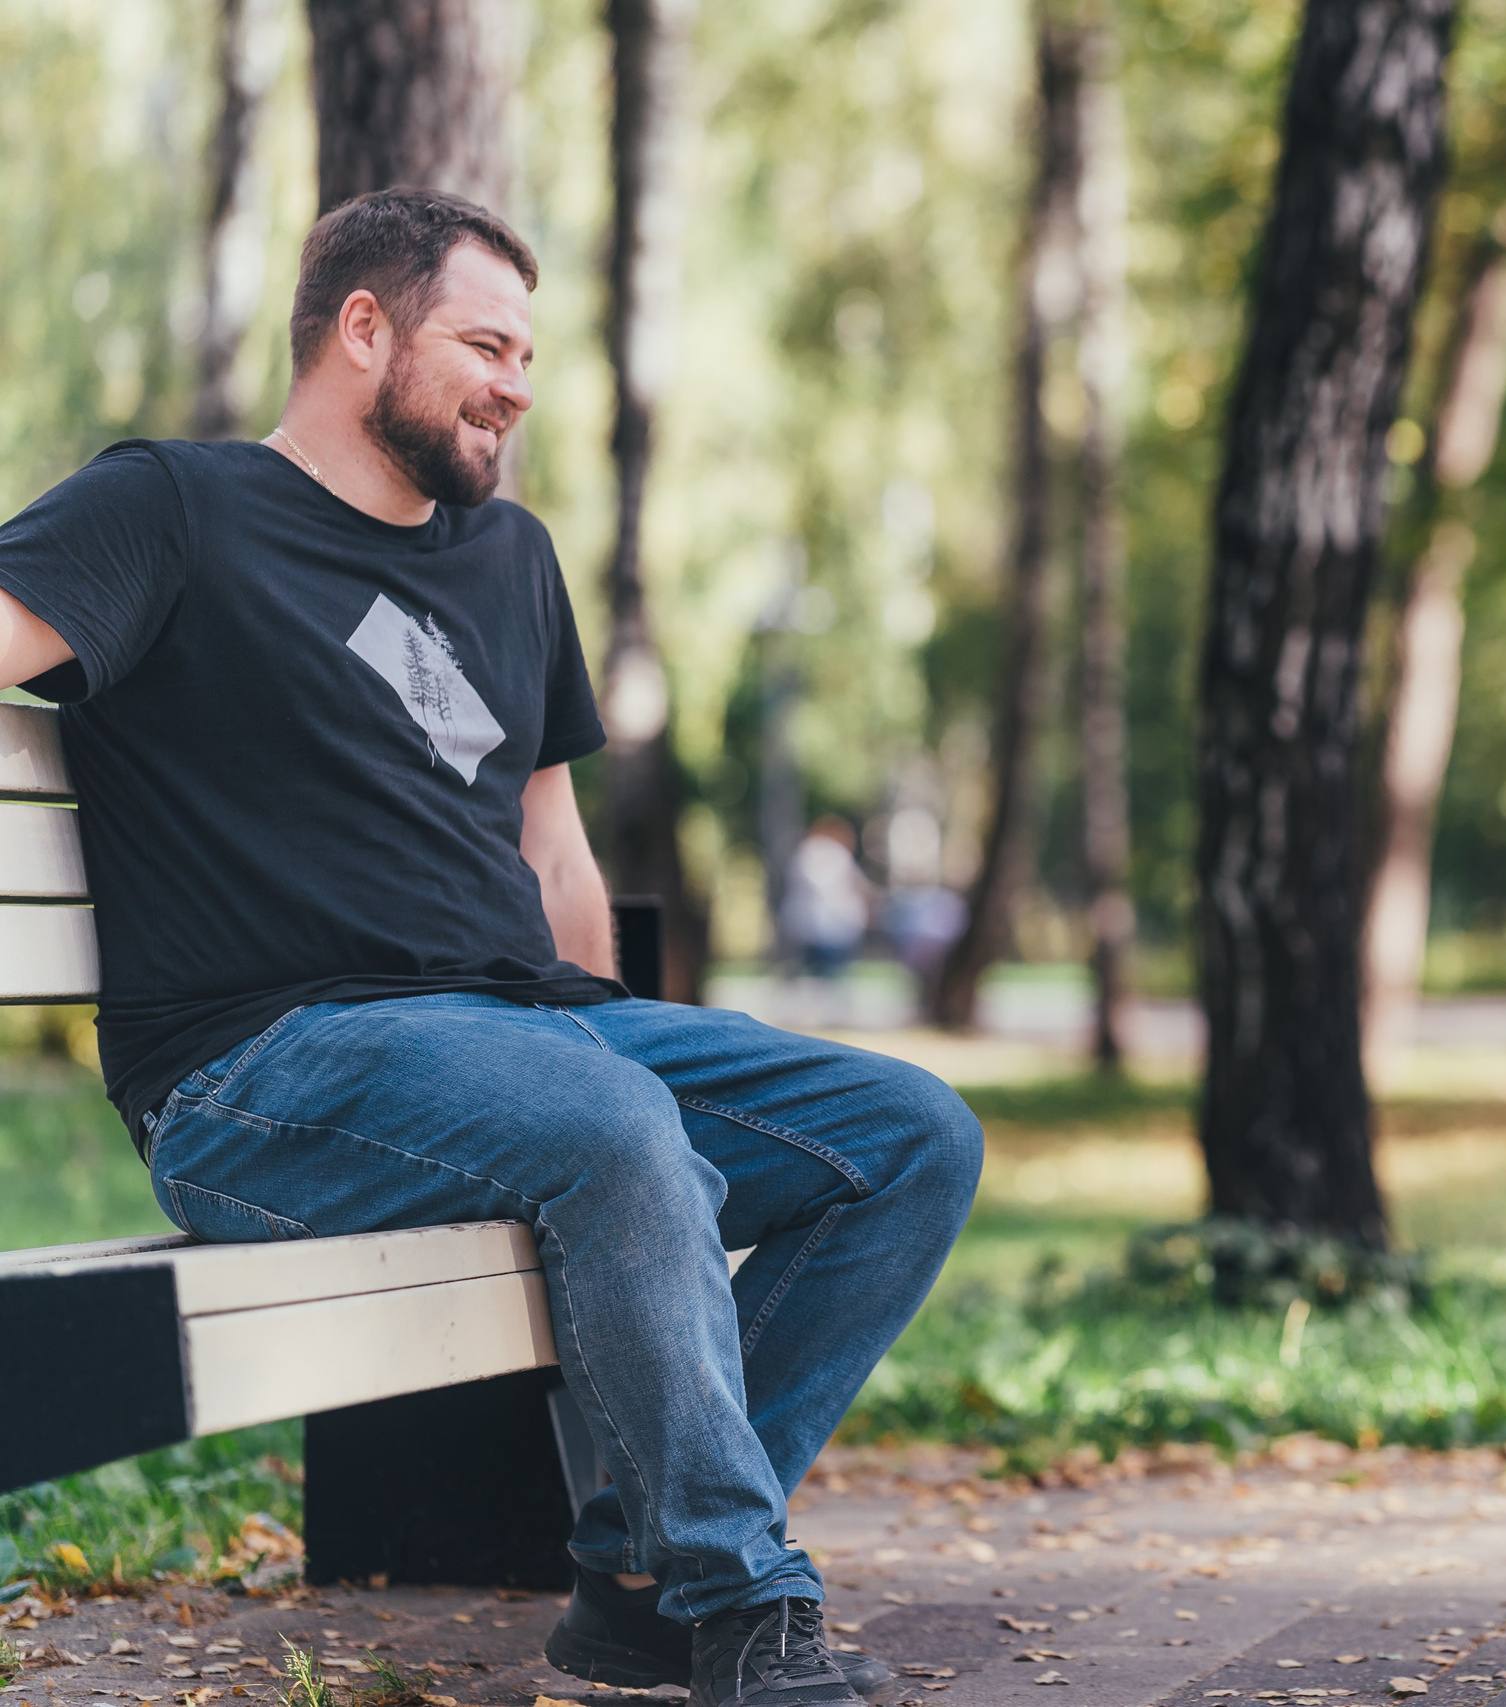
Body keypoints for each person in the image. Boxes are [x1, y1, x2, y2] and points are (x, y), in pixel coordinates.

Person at [0, 190, 979, 1707]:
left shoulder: (510, 556)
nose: (518, 382)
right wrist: (620, 1112)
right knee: (607, 1122)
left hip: (531, 1037)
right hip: (262, 1068)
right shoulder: (170, 507)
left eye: (531, 352)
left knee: (909, 1133)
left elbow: (554, 848)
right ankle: (737, 1593)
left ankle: (638, 1573)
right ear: (363, 329)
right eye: (486, 341)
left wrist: (611, 1035)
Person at [778, 818, 869, 975]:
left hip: (818, 926)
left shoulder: (805, 852)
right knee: (828, 974)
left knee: (817, 974)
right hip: (828, 925)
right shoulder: (829, 853)